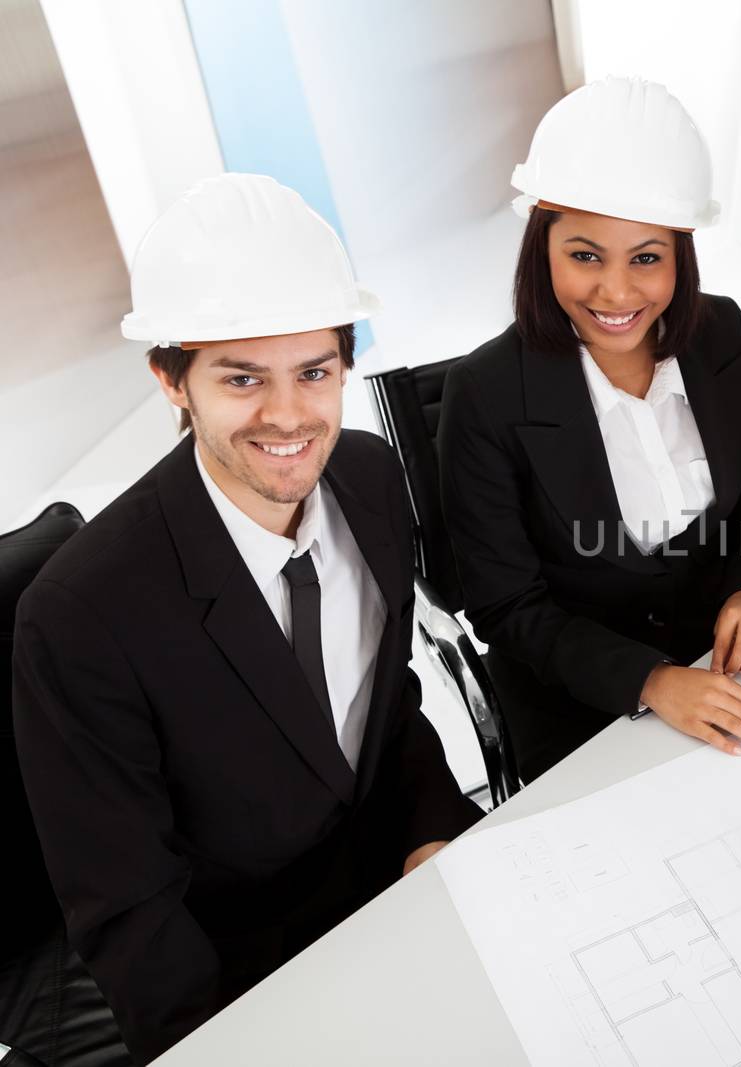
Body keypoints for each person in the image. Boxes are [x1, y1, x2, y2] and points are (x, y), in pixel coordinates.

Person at [11, 173, 483, 1063]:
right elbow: (130, 914)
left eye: (315, 372)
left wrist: (432, 835)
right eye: (242, 378)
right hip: (245, 980)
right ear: (171, 380)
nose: (288, 416)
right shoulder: (79, 617)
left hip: (402, 893)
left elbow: (389, 705)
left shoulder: (375, 480)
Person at [438, 78, 741, 782]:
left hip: (725, 660)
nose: (617, 293)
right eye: (585, 254)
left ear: (680, 254)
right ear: (543, 248)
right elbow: (509, 607)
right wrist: (651, 681)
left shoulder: (723, 335)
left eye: (646, 257)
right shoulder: (482, 394)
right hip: (575, 693)